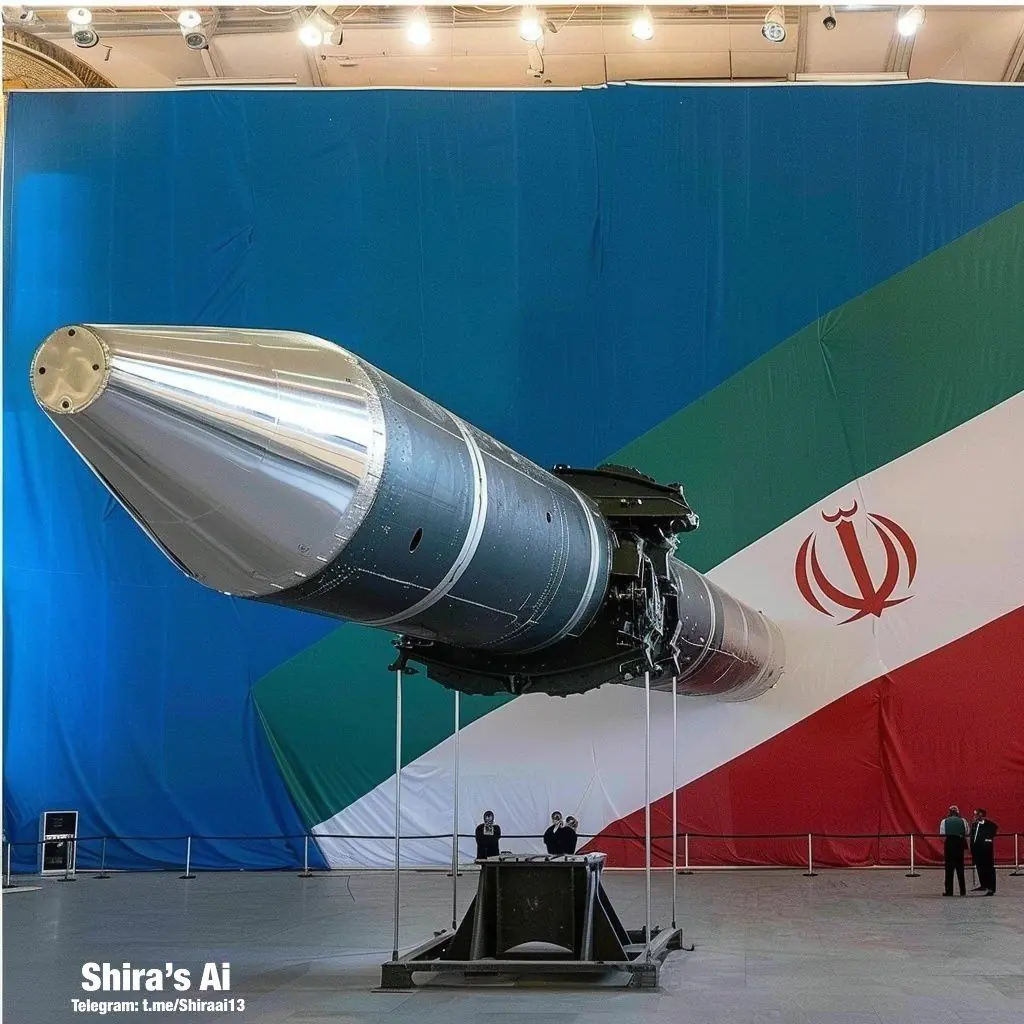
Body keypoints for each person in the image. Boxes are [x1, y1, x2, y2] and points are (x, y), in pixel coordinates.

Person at [939, 804, 970, 896]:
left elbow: (942, 833)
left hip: (949, 844)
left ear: (949, 812)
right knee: (960, 868)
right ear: (957, 812)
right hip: (959, 844)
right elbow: (967, 832)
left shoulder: (944, 821)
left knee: (949, 869)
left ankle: (949, 891)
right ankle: (962, 890)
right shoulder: (963, 821)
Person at [970, 808, 998, 895]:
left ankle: (991, 888)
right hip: (976, 849)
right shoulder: (974, 825)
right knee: (979, 867)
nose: (974, 816)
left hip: (986, 850)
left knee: (989, 868)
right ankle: (983, 885)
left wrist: (988, 838)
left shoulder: (990, 824)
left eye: (976, 814)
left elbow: (994, 830)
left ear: (981, 815)